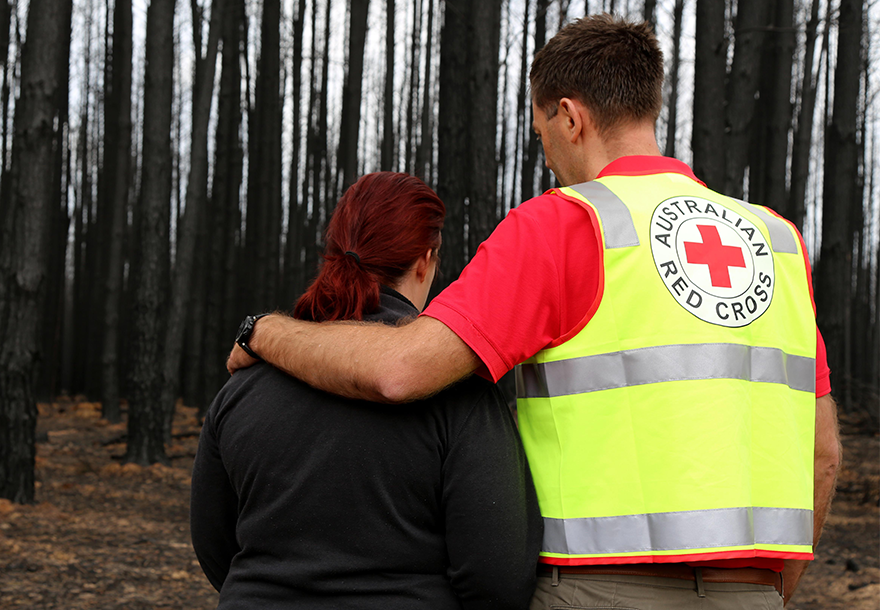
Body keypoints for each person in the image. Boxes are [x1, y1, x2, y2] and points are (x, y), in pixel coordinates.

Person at [227, 15, 841, 610]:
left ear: (570, 116)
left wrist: (265, 331)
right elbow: (823, 454)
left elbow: (400, 369)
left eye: (540, 131)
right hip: (756, 593)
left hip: (595, 592)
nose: (544, 153)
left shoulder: (566, 224)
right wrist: (767, 592)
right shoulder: (777, 240)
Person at [191, 171, 543, 609]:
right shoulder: (458, 393)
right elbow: (498, 575)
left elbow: (215, 546)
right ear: (425, 259)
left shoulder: (241, 387)